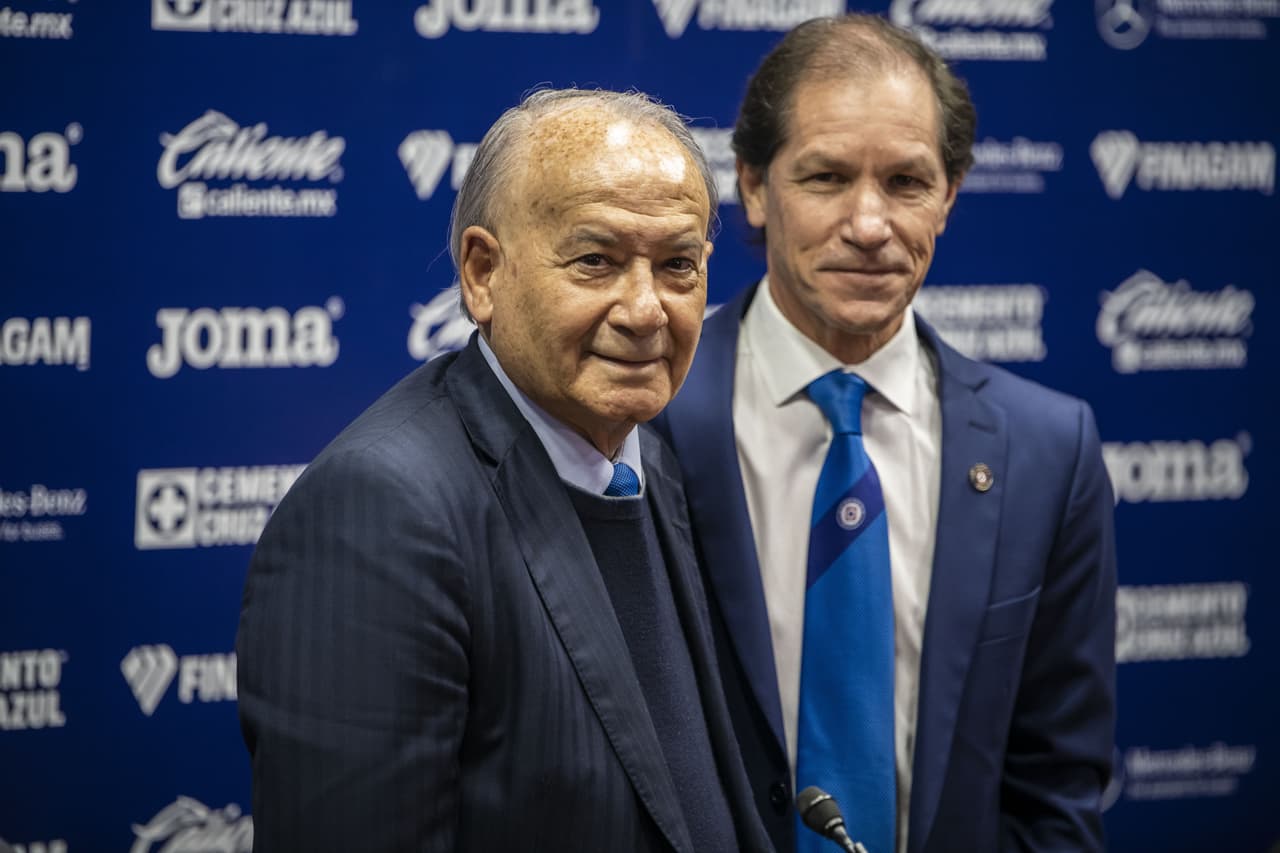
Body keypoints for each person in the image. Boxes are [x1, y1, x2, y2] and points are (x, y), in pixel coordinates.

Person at [236, 88, 774, 853]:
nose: (647, 308)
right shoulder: (380, 514)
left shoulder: (647, 452)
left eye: (678, 265)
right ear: (483, 273)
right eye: (597, 261)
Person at [653, 14, 1117, 853]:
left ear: (950, 194)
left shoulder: (1050, 450)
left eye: (906, 182)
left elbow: (1056, 786)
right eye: (826, 177)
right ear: (755, 187)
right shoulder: (644, 417)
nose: (869, 225)